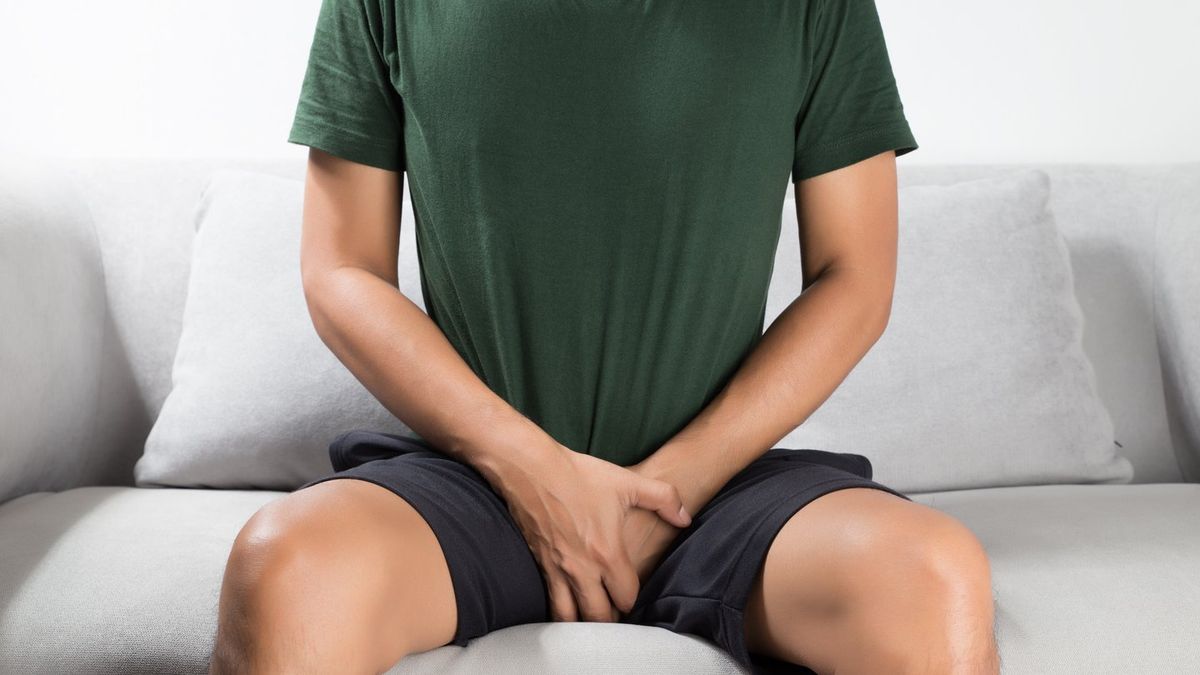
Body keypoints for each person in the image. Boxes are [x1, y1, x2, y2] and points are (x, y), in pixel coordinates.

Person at [210, 0, 1000, 673]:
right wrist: (530, 471)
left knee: (933, 574)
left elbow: (854, 277)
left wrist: (673, 489)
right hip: (476, 484)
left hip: (719, 494)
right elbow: (342, 269)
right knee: (283, 567)